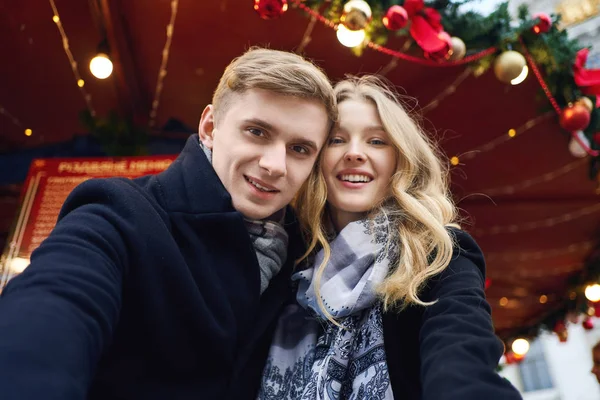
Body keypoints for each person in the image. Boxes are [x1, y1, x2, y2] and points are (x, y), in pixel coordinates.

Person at [0, 48, 336, 399]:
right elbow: (54, 307)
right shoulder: (119, 211)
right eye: (257, 132)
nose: (275, 164)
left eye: (299, 149)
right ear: (209, 128)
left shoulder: (309, 252)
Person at [258, 76, 523, 399]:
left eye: (377, 141)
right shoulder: (283, 259)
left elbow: (459, 349)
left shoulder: (437, 254)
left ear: (400, 160)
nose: (355, 153)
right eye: (337, 140)